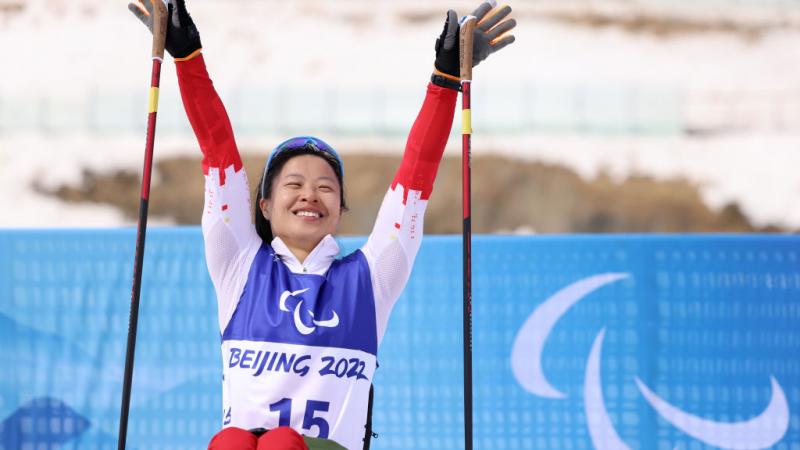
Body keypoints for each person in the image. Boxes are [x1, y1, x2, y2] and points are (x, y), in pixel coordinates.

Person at [129, 0, 515, 448]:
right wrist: (186, 56)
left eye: (326, 188)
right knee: (233, 443)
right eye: (293, 184)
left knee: (282, 444)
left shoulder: (371, 279)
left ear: (339, 209)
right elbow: (219, 152)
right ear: (266, 204)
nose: (309, 195)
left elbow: (414, 180)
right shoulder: (239, 266)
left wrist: (445, 81)